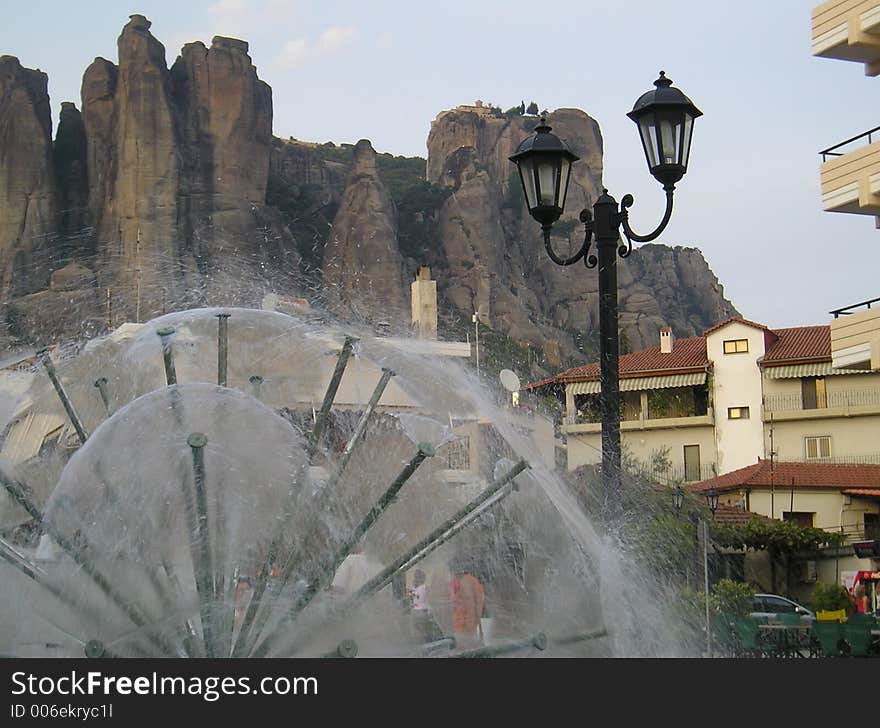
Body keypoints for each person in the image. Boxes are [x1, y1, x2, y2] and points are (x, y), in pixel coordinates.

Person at [451, 565, 485, 649]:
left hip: (464, 630)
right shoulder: (473, 581)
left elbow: (471, 608)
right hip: (469, 630)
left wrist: (467, 632)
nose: (453, 576)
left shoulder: (465, 582)